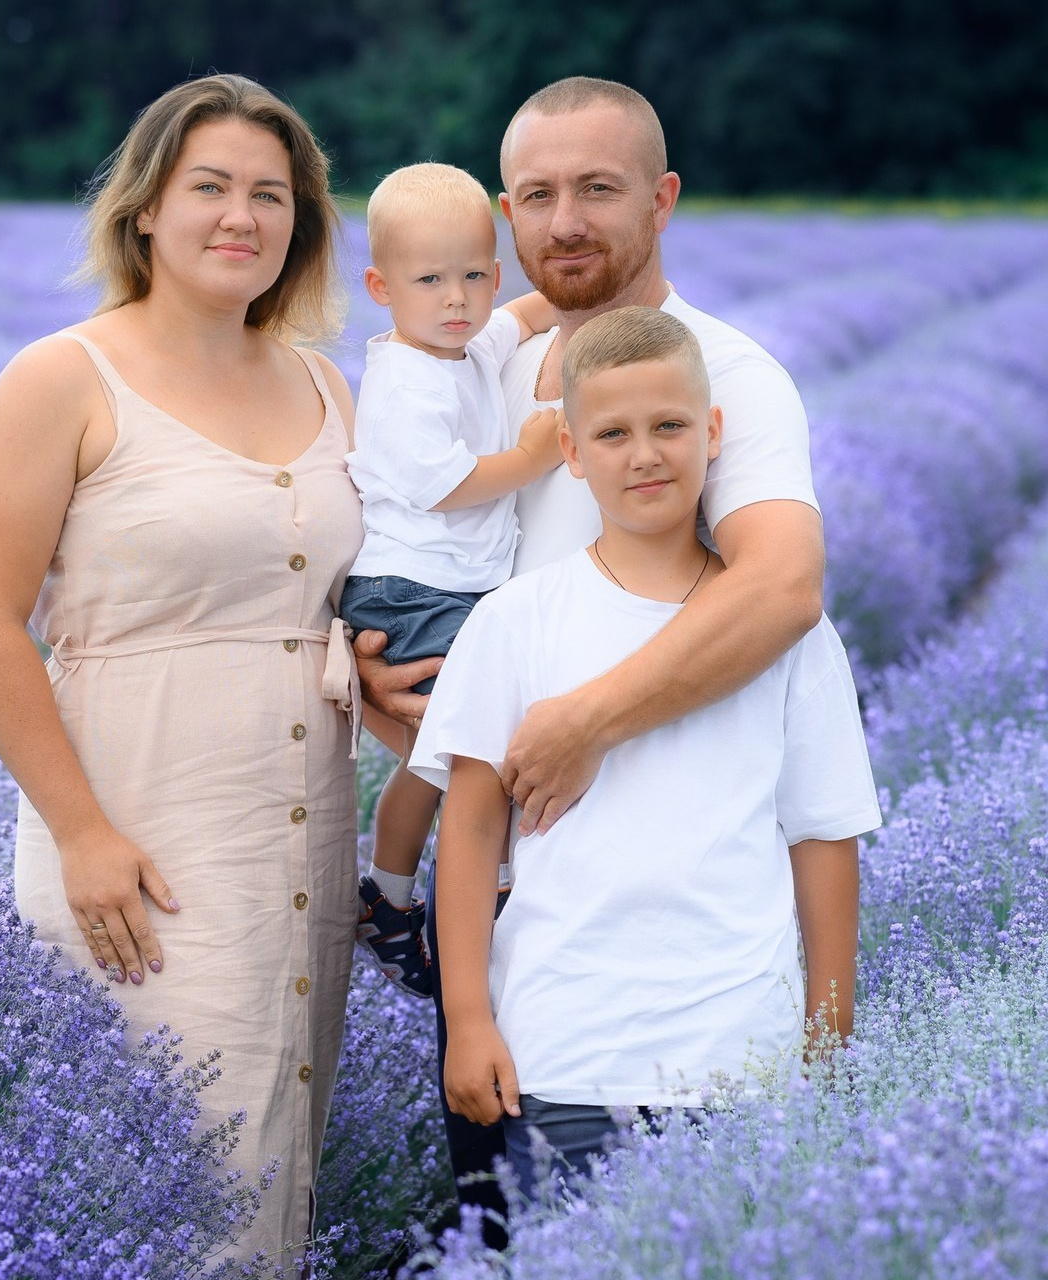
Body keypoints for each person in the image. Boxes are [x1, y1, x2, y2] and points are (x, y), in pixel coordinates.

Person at [354, 76, 827, 1232]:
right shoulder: (481, 358)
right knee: (506, 1219)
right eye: (536, 195)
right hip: (505, 909)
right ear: (503, 217)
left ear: (661, 199)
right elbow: (397, 514)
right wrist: (362, 659)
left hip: (655, 914)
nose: (563, 222)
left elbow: (781, 587)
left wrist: (584, 719)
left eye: (597, 190)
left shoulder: (720, 377)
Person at [0, 74, 361, 1269]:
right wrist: (81, 834)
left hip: (301, 843)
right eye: (209, 187)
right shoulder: (62, 376)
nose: (241, 216)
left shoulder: (326, 382)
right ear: (143, 210)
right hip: (137, 844)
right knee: (155, 1193)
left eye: (270, 194)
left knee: (272, 1176)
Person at [412, 305, 881, 1200]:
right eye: (612, 434)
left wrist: (829, 1036)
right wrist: (468, 1019)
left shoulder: (791, 637)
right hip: (564, 1050)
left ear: (713, 433)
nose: (645, 455)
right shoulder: (516, 620)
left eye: (669, 426)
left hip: (744, 1053)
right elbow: (467, 832)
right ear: (571, 451)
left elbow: (824, 835)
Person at [339, 162, 562, 998]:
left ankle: (390, 896)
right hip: (410, 593)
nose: (456, 299)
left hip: (452, 592)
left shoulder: (468, 343)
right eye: (429, 281)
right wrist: (531, 457)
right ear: (381, 288)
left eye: (473, 276)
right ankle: (465, 891)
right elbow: (447, 485)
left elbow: (523, 316)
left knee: (442, 758)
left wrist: (591, 304)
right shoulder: (406, 380)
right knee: (470, 755)